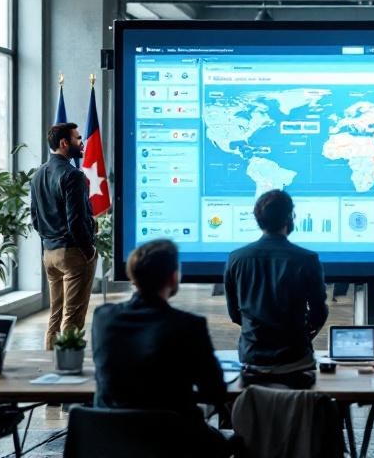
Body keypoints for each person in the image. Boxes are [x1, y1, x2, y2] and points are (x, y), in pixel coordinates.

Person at [91, 239, 231, 457]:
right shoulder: (189, 326)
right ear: (173, 277)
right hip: (174, 441)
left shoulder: (102, 318)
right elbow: (214, 391)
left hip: (111, 440)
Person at [224, 189, 327, 388]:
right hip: (296, 362)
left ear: (258, 220)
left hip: (252, 361)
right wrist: (303, 334)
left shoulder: (236, 258)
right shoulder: (307, 259)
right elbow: (318, 314)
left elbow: (235, 314)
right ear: (289, 217)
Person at [30, 122, 97, 350]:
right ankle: (67, 366)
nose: (82, 143)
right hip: (73, 253)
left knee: (55, 314)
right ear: (64, 143)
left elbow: (35, 218)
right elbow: (76, 221)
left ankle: (49, 362)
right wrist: (88, 251)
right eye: (78, 139)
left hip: (49, 253)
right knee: (73, 317)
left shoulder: (38, 175)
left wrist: (49, 240)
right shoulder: (73, 175)